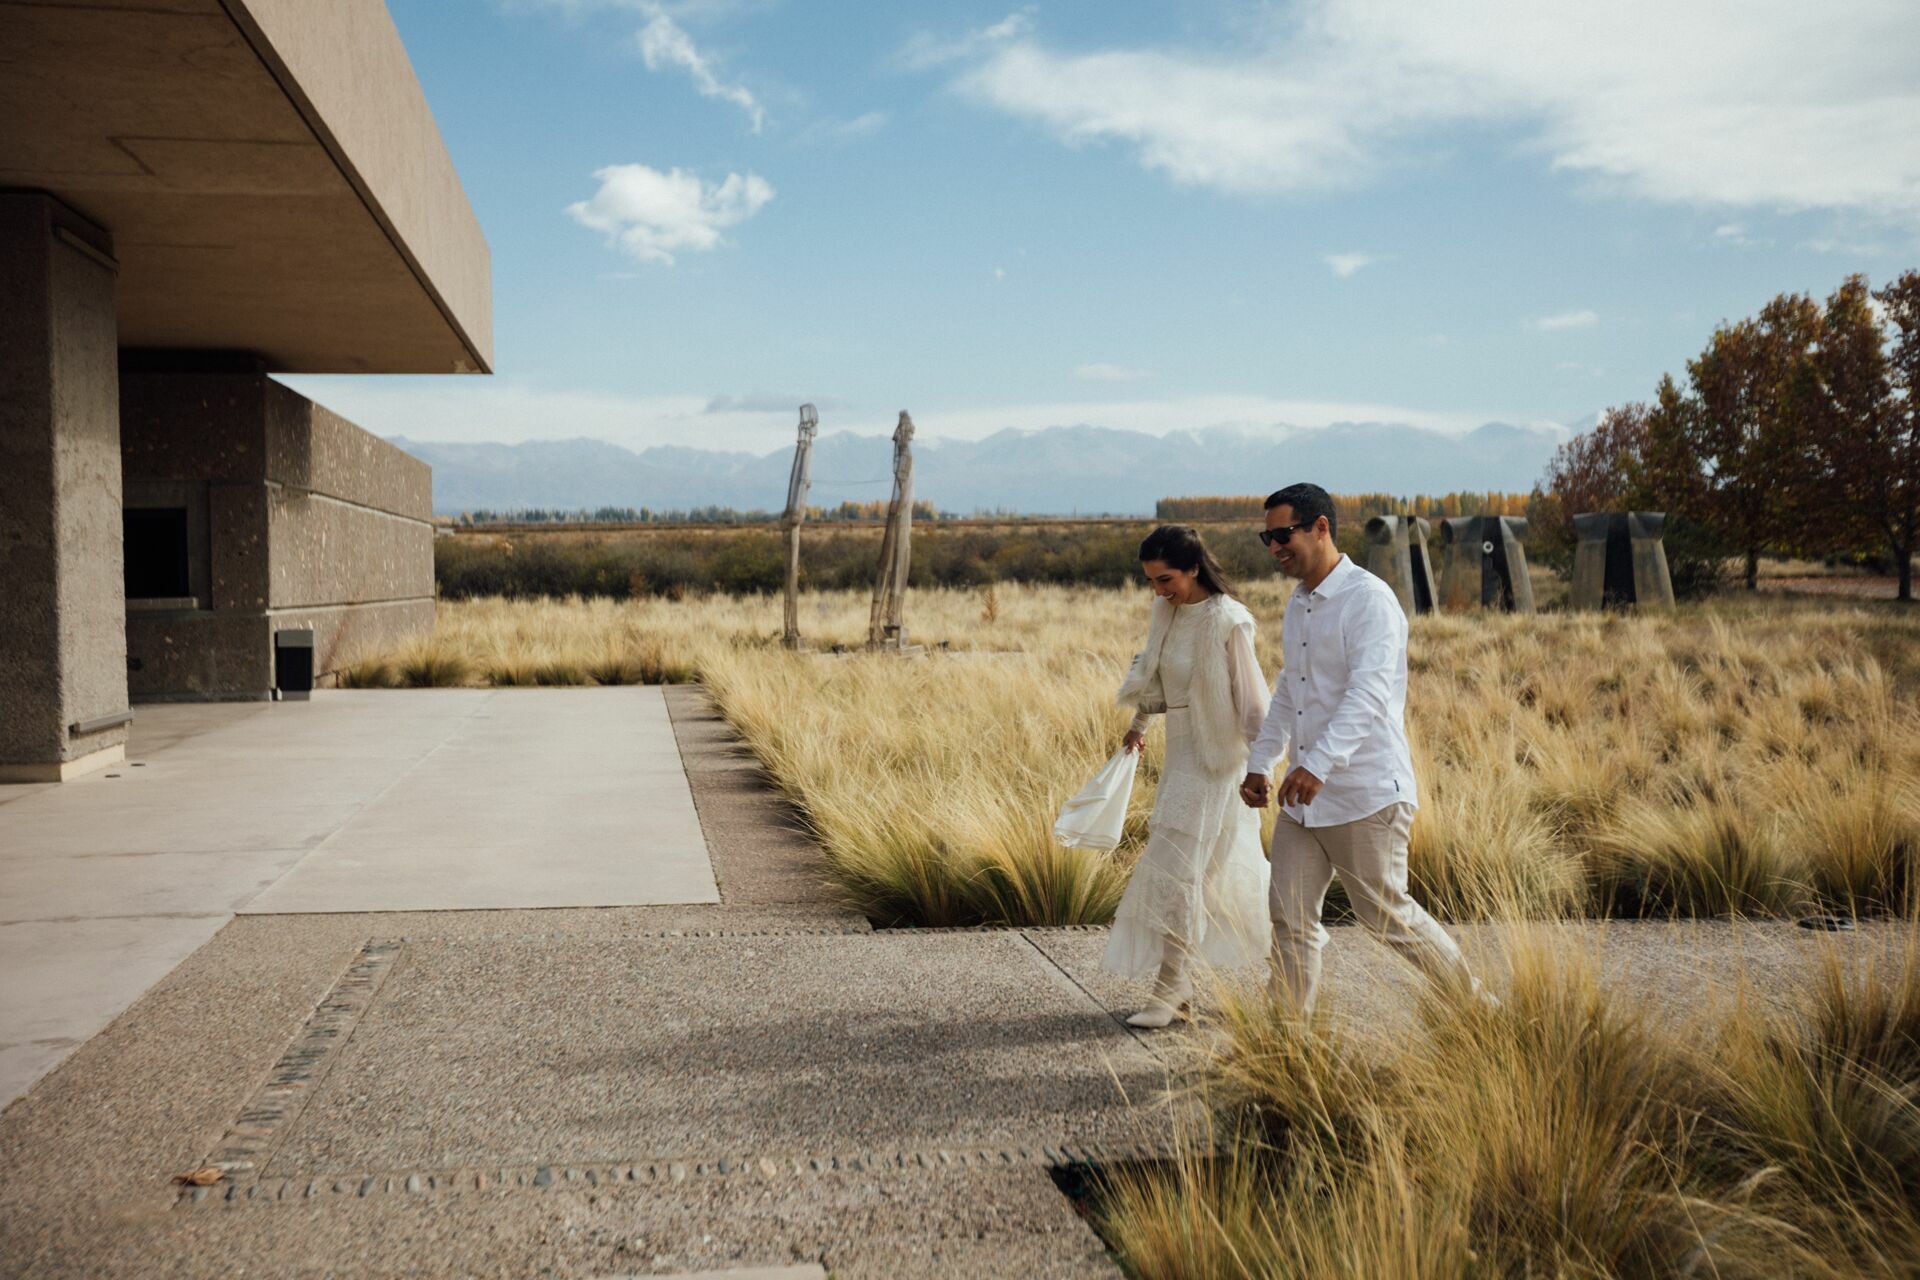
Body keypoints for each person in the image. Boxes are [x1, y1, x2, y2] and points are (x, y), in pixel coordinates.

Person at [1241, 483, 1488, 1013]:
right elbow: (1290, 688)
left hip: (1364, 796)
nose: (1274, 548)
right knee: (1288, 918)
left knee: (1385, 916)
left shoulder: (1369, 600)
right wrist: (1262, 761)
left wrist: (1318, 764)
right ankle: (1285, 1043)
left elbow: (1369, 694)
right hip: (1302, 801)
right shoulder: (1300, 602)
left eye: (1282, 534)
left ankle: (1477, 1009)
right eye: (1267, 537)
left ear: (1321, 527)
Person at [1104, 525, 1272, 1028]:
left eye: (1167, 579)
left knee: (1180, 871)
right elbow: (1155, 674)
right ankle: (1285, 962)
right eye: (1152, 581)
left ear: (1194, 567)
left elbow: (1254, 701)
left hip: (1216, 762)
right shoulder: (1165, 613)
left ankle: (1169, 988)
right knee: (1205, 873)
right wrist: (1138, 725)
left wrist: (1262, 768)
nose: (1160, 590)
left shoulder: (1229, 621)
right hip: (1179, 752)